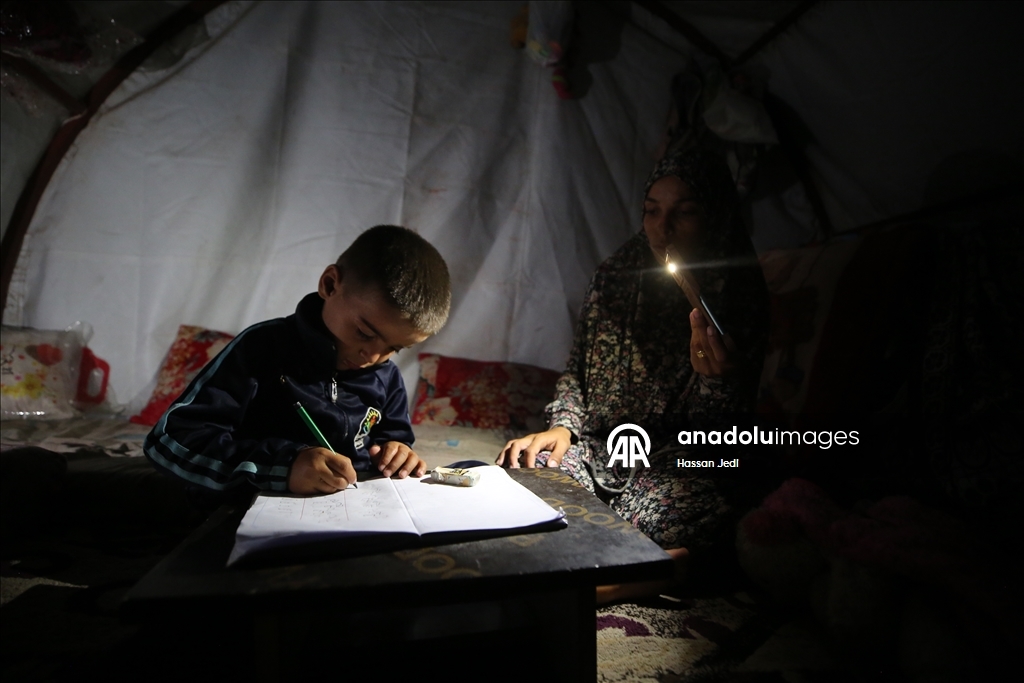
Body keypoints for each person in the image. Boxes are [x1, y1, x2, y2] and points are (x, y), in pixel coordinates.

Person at [497, 146, 770, 599]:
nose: (662, 229)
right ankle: (630, 560)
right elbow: (576, 372)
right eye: (651, 211)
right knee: (522, 472)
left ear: (714, 215)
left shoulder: (740, 293)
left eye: (685, 213)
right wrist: (563, 427)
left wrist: (716, 382)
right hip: (604, 447)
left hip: (687, 457)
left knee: (677, 512)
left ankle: (651, 569)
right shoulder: (615, 277)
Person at [145, 225, 450, 501]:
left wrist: (398, 452)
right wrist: (283, 468)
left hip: (352, 518)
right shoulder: (261, 348)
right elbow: (169, 441)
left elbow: (393, 436)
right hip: (247, 516)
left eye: (395, 348)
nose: (371, 357)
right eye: (364, 333)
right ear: (330, 285)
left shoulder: (386, 376)